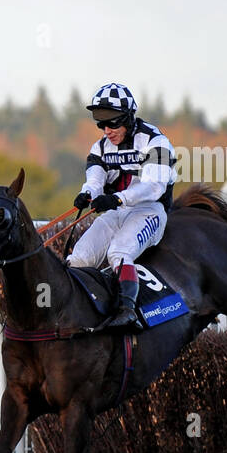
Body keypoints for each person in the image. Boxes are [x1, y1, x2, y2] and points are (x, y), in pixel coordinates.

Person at [68, 82, 178, 328]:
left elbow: (153, 187)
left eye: (112, 122)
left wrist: (117, 198)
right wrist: (86, 193)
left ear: (128, 117)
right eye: (100, 122)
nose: (106, 129)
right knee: (79, 258)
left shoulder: (156, 141)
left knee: (118, 252)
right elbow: (94, 181)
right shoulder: (100, 148)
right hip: (119, 212)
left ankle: (127, 311)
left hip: (150, 211)